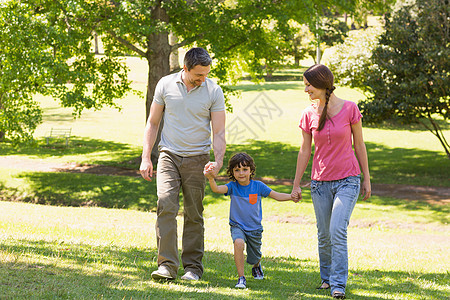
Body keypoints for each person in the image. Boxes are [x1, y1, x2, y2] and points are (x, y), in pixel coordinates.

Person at [140, 47, 226, 281]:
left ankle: (193, 269)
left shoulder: (213, 90)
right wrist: (146, 156)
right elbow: (153, 122)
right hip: (168, 155)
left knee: (194, 213)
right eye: (198, 74)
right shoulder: (165, 85)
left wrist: (218, 161)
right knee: (165, 205)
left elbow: (218, 131)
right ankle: (167, 265)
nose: (203, 79)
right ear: (185, 68)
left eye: (206, 74)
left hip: (198, 158)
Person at [291, 64, 371, 299]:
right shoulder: (308, 113)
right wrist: (296, 184)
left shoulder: (350, 109)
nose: (306, 89)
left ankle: (338, 283)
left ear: (323, 84)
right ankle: (326, 279)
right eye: (305, 84)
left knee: (337, 229)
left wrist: (366, 178)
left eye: (309, 84)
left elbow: (360, 145)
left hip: (348, 180)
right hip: (319, 183)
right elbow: (305, 151)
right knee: (324, 234)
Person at [204, 152, 297, 289]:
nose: (241, 173)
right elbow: (217, 189)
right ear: (232, 172)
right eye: (237, 170)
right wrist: (211, 178)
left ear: (251, 170)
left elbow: (276, 195)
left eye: (245, 169)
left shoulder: (258, 186)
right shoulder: (232, 187)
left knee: (255, 256)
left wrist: (291, 196)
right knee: (238, 242)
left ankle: (256, 265)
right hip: (237, 225)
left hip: (254, 228)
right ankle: (241, 278)